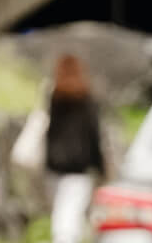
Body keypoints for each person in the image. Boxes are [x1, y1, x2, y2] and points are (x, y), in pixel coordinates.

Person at [44, 54, 106, 243]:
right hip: (79, 165)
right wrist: (100, 167)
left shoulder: (54, 97)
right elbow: (94, 135)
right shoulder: (86, 99)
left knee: (62, 211)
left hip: (55, 164)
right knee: (71, 212)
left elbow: (49, 130)